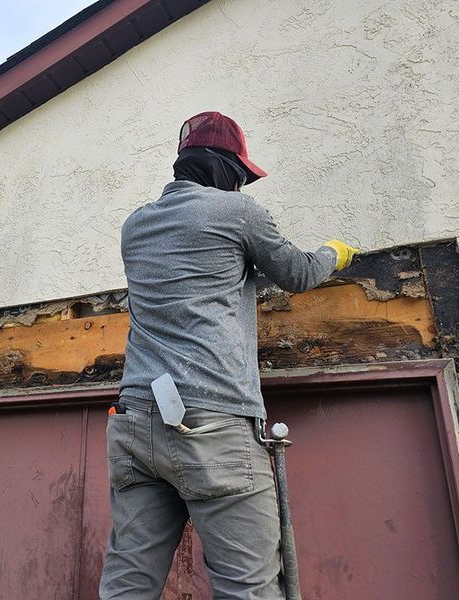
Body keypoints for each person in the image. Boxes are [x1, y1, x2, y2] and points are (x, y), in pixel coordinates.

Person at [99, 112, 360, 598]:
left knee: (128, 584)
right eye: (238, 177)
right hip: (211, 424)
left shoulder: (135, 225)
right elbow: (298, 273)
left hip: (135, 423)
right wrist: (335, 252)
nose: (240, 188)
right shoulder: (237, 213)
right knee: (248, 588)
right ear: (222, 168)